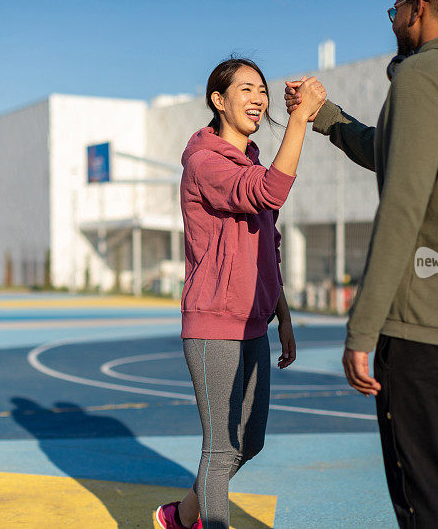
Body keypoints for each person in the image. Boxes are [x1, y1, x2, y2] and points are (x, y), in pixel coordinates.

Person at [286, 0, 438, 527]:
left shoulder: (421, 78)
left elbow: (402, 207)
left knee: (428, 497)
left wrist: (362, 329)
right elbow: (392, 150)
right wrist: (328, 118)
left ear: (419, 6)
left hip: (426, 324)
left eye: (394, 6)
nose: (390, 18)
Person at [155, 58, 326, 529]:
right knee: (220, 447)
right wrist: (299, 120)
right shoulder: (206, 163)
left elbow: (267, 244)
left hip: (254, 319)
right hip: (213, 320)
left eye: (263, 91)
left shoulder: (247, 159)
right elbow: (270, 192)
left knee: (249, 443)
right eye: (246, 89)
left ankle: (178, 517)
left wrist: (283, 312)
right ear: (218, 100)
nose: (258, 99)